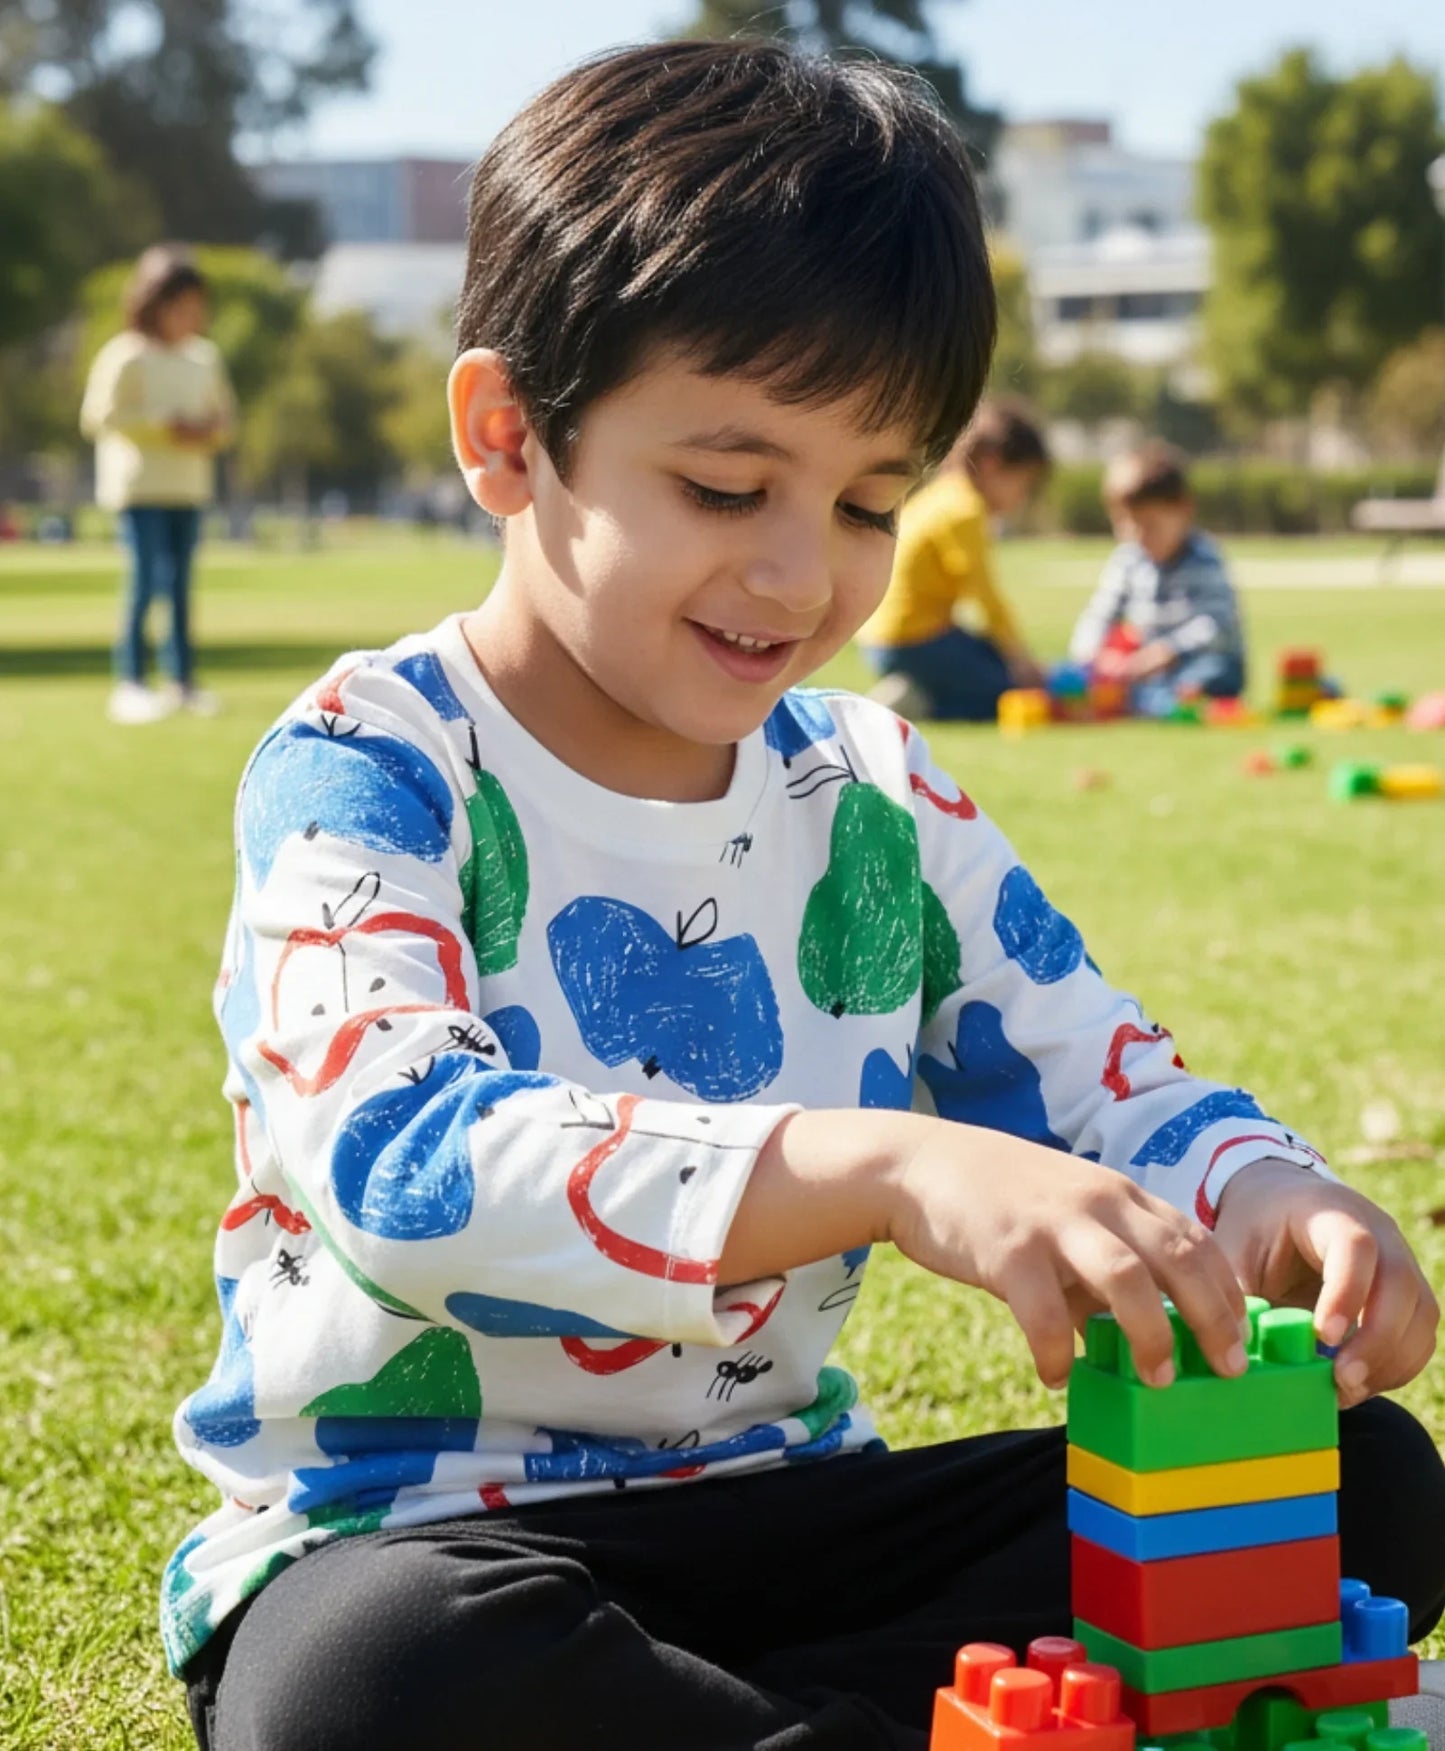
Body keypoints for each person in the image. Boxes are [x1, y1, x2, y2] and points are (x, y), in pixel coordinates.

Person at [165, 43, 1442, 1751]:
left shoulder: (873, 792)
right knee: (364, 1685)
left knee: (1361, 1485)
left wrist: (1266, 1189)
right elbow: (401, 1161)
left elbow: (1094, 1071)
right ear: (509, 434)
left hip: (794, 1511)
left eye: (866, 502)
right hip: (427, 1538)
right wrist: (893, 1165)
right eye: (725, 485)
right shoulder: (378, 763)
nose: (799, 572)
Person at [80, 245, 235, 724]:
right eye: (180, 306)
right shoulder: (125, 356)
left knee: (181, 588)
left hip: (188, 489)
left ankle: (182, 683)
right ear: (153, 304)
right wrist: (166, 426)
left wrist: (208, 430)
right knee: (145, 584)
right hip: (140, 491)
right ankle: (130, 683)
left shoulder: (204, 358)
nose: (191, 316)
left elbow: (226, 420)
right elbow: (99, 417)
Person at [857, 399, 1050, 721]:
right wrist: (1020, 658)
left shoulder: (942, 495)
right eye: (1023, 482)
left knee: (990, 663)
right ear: (991, 464)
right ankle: (915, 702)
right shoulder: (966, 510)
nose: (1022, 496)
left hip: (881, 638)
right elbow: (983, 594)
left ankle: (914, 689)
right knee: (1006, 694)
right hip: (912, 640)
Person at [1069, 443, 1245, 718]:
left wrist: (1166, 651)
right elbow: (1100, 613)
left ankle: (1169, 700)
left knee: (1211, 673)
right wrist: (1092, 653)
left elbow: (1215, 624)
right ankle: (1153, 700)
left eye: (1150, 525)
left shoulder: (1204, 559)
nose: (1138, 535)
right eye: (1125, 525)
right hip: (1143, 667)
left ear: (1183, 510)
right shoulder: (1128, 560)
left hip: (1199, 659)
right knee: (1091, 679)